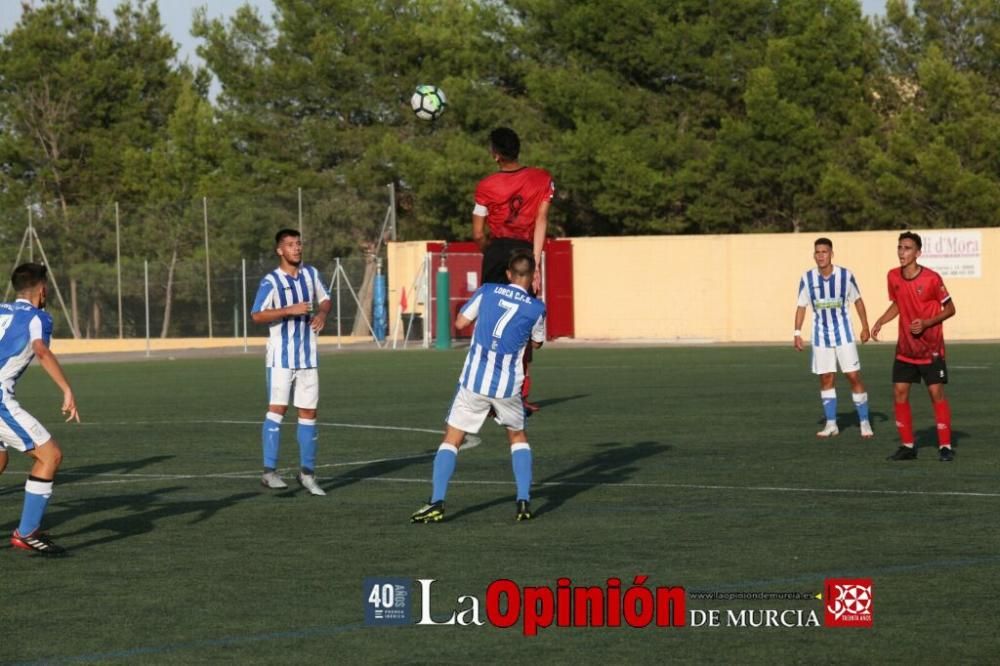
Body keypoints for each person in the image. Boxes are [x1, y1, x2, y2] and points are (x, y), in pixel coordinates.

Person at [410, 251, 546, 523]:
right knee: (517, 439)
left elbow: (460, 322)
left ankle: (436, 502)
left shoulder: (487, 291)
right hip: (508, 386)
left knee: (452, 439)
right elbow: (538, 343)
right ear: (533, 277)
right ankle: (523, 502)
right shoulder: (536, 308)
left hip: (474, 381)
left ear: (508, 273)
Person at [0, 263, 80, 555]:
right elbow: (41, 350)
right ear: (43, 290)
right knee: (50, 455)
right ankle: (27, 532)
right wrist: (67, 389)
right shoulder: (39, 318)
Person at [472, 127, 554, 413]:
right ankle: (518, 395)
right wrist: (536, 263)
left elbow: (478, 231)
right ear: (518, 149)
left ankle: (484, 393)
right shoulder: (542, 178)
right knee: (524, 326)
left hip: (496, 251)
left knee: (490, 325)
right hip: (523, 252)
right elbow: (541, 219)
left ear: (495, 155)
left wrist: (491, 253)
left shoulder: (485, 186)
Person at [251, 229, 332, 494]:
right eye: (290, 245)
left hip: (308, 356)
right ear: (279, 251)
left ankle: (307, 474)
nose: (296, 248)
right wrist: (289, 310)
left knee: (309, 414)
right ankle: (269, 472)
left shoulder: (311, 273)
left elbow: (326, 298)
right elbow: (257, 315)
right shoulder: (271, 281)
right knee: (277, 410)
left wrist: (322, 312)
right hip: (280, 358)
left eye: (298, 244)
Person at [872, 231, 957, 462]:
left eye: (907, 248)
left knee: (936, 393)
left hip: (931, 348)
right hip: (905, 349)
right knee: (899, 393)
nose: (902, 252)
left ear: (918, 253)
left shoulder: (932, 278)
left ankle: (945, 446)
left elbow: (950, 309)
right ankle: (908, 446)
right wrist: (881, 320)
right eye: (900, 247)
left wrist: (927, 323)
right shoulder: (893, 276)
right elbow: (898, 304)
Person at [794, 238, 874, 439]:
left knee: (853, 376)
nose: (821, 255)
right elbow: (801, 306)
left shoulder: (845, 276)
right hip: (821, 337)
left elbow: (857, 300)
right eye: (817, 252)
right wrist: (797, 333)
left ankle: (864, 421)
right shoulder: (807, 278)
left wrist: (865, 326)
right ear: (814, 255)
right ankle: (831, 424)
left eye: (824, 252)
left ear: (831, 254)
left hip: (844, 335)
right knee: (826, 377)